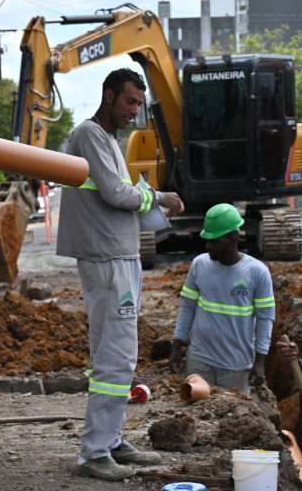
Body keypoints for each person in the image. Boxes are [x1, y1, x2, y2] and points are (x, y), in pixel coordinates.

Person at [57, 68, 184, 481]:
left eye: (137, 103)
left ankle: (109, 441)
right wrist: (158, 196)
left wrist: (145, 199)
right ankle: (96, 451)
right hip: (107, 259)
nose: (134, 111)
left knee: (115, 355)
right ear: (108, 96)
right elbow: (115, 193)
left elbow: (117, 193)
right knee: (116, 356)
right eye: (129, 101)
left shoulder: (107, 139)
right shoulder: (91, 134)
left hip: (116, 256)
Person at [169, 204, 275, 394]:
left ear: (232, 240)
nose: (207, 245)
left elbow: (265, 319)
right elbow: (187, 308)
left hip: (236, 367)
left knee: (234, 420)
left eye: (213, 241)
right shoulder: (200, 265)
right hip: (199, 362)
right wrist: (176, 348)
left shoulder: (257, 272)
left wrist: (260, 363)